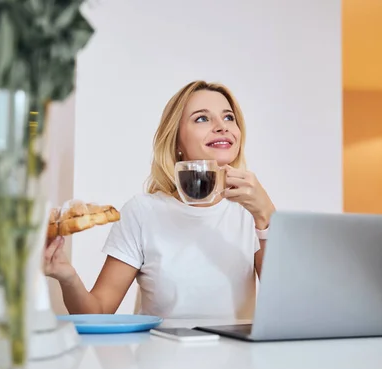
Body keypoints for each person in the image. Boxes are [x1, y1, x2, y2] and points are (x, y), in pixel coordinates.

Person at [43, 80, 276, 319]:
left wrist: (266, 215)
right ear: (176, 142)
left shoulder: (253, 213)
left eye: (228, 118)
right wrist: (66, 275)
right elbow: (97, 312)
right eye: (202, 118)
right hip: (159, 356)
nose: (222, 127)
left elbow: (283, 308)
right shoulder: (142, 212)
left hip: (238, 357)